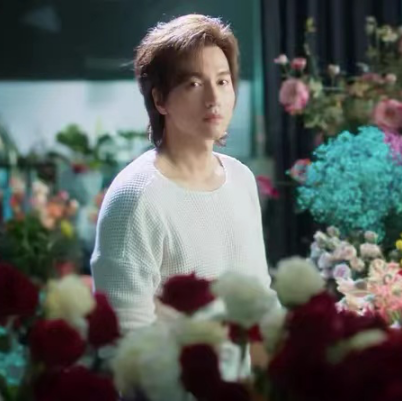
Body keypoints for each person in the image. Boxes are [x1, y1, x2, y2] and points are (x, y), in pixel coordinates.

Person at [89, 14, 271, 377]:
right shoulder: (136, 197)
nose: (214, 98)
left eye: (222, 81)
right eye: (193, 84)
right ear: (160, 99)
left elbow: (260, 300)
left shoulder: (240, 179)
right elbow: (124, 346)